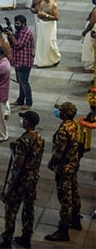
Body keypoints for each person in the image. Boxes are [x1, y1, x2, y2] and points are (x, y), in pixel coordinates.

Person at [0, 111, 44, 249]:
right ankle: (26, 237)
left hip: (21, 179)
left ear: (27, 122)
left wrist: (14, 152)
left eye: (24, 119)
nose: (22, 121)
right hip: (32, 178)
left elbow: (19, 163)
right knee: (28, 208)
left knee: (11, 209)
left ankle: (6, 240)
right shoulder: (39, 138)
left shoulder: (24, 140)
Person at [45, 102, 83, 242]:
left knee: (65, 198)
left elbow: (59, 152)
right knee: (74, 193)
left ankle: (63, 230)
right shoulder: (75, 125)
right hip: (73, 164)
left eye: (60, 111)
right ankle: (76, 220)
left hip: (64, 167)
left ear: (64, 114)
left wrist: (51, 163)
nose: (58, 112)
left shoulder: (63, 130)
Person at [7, 15, 35, 109]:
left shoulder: (26, 33)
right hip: (18, 60)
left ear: (24, 23)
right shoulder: (19, 31)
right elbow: (12, 44)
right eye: (15, 23)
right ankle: (20, 100)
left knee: (24, 82)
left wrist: (11, 35)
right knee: (21, 82)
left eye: (18, 23)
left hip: (25, 61)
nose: (16, 25)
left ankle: (28, 102)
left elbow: (18, 45)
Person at [34, 0, 61, 67]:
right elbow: (39, 13)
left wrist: (46, 15)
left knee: (50, 43)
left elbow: (56, 17)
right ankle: (42, 62)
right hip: (43, 24)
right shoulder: (42, 3)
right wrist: (40, 14)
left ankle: (56, 58)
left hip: (50, 25)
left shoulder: (53, 5)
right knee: (41, 44)